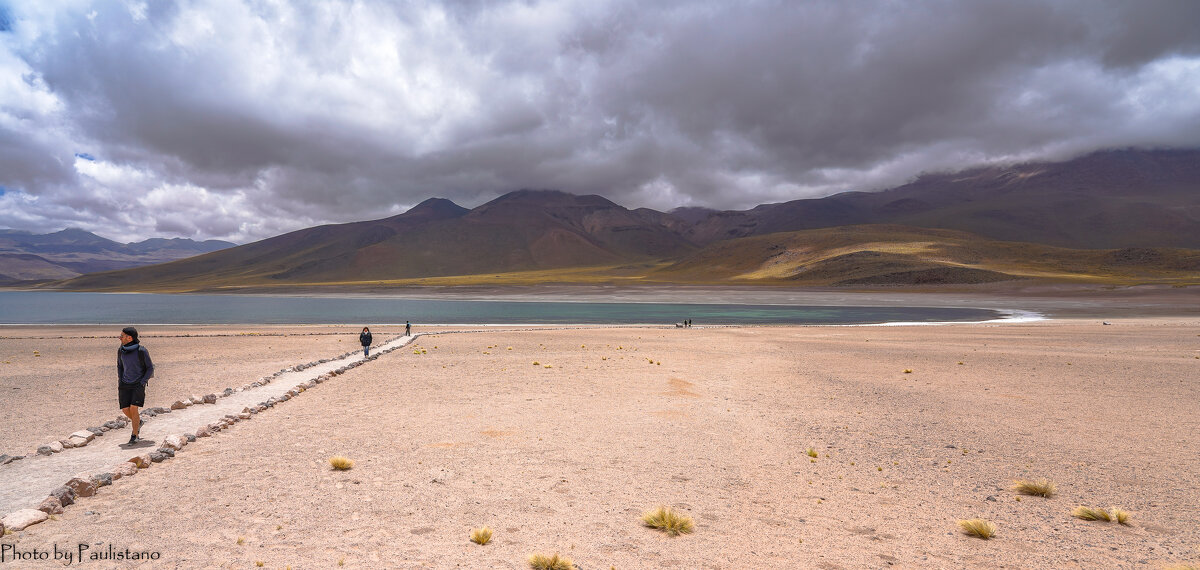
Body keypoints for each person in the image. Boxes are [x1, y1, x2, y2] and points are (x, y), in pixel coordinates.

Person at [117, 326, 153, 445]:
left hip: (138, 384)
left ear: (129, 338)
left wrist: (142, 382)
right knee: (125, 409)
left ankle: (134, 435)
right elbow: (120, 366)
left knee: (133, 408)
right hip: (124, 384)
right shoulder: (120, 350)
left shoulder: (141, 351)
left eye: (122, 336)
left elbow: (150, 368)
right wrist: (120, 379)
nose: (119, 338)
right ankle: (138, 422)